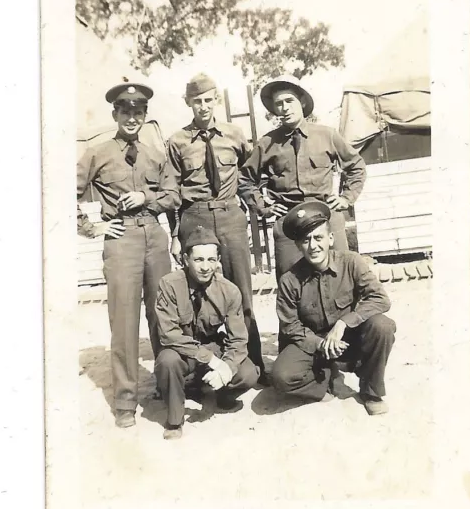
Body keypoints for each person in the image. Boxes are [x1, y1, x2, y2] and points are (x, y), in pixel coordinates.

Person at [77, 82, 180, 428]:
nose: (132, 118)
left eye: (138, 112)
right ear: (115, 115)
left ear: (145, 116)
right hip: (121, 239)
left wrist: (146, 198)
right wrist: (94, 228)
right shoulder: (98, 152)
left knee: (163, 315)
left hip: (154, 235)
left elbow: (173, 195)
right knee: (123, 320)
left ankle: (169, 389)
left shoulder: (155, 154)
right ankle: (124, 403)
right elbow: (64, 190)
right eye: (126, 112)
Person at [164, 73, 266, 381]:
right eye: (197, 101)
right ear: (188, 103)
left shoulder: (235, 135)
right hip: (194, 218)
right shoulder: (177, 141)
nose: (203, 106)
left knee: (241, 293)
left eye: (209, 100)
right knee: (196, 292)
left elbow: (250, 175)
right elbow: (171, 192)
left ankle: (254, 364)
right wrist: (175, 234)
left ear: (216, 101)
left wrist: (258, 202)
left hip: (230, 216)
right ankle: (195, 366)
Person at [271, 200, 396, 416]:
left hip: (347, 337)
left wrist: (344, 322)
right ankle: (324, 383)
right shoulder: (289, 280)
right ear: (299, 245)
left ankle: (371, 391)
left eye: (318, 238)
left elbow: (381, 299)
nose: (313, 246)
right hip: (313, 344)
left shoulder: (351, 262)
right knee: (281, 376)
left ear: (330, 238)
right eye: (306, 240)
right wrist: (320, 344)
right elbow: (290, 326)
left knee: (383, 326)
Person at [238, 75, 367, 284]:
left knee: (340, 280)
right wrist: (263, 207)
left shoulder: (327, 135)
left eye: (289, 101)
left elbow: (356, 166)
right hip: (289, 221)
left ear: (303, 102)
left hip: (325, 215)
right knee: (291, 284)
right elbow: (244, 179)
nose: (284, 108)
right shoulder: (267, 143)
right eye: (278, 104)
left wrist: (346, 198)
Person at [154, 226, 260, 440]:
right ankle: (175, 419)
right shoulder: (169, 285)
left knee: (248, 373)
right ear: (186, 259)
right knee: (167, 361)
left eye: (211, 260)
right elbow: (169, 335)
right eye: (199, 260)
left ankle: (223, 394)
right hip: (182, 351)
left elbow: (238, 339)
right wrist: (211, 360)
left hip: (212, 345)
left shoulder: (229, 290)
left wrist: (226, 367)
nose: (205, 267)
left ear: (218, 259)